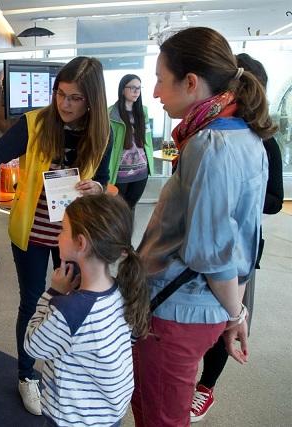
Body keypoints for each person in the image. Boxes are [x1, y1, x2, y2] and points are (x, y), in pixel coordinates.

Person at [0, 56, 113, 416]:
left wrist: (98, 188)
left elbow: (108, 180)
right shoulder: (34, 124)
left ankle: (64, 369)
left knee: (73, 303)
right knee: (32, 302)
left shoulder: (102, 133)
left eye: (75, 97)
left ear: (92, 99)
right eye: (60, 94)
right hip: (32, 232)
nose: (64, 104)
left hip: (74, 236)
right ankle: (26, 374)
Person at [131, 27, 277, 426]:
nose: (156, 93)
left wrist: (235, 316)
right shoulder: (248, 136)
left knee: (160, 415)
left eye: (161, 80)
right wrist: (235, 310)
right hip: (199, 308)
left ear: (191, 82)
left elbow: (211, 252)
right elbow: (248, 236)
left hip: (177, 310)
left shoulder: (209, 145)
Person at [190, 53, 284, 423]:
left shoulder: (264, 143)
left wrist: (237, 188)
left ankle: (206, 387)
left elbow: (275, 202)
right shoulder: (205, 137)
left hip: (242, 250)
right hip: (205, 247)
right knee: (204, 318)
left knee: (229, 320)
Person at [23, 193, 150, 427]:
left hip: (71, 419)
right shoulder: (122, 289)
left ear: (80, 243)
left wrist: (53, 293)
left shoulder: (71, 310)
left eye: (62, 230)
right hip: (107, 415)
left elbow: (33, 344)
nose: (58, 235)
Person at [108, 74, 154, 212]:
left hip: (141, 172)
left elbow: (147, 140)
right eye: (132, 88)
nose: (136, 92)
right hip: (120, 173)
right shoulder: (111, 114)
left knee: (131, 208)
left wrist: (149, 165)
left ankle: (128, 234)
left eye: (139, 88)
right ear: (123, 89)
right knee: (118, 211)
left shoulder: (143, 111)